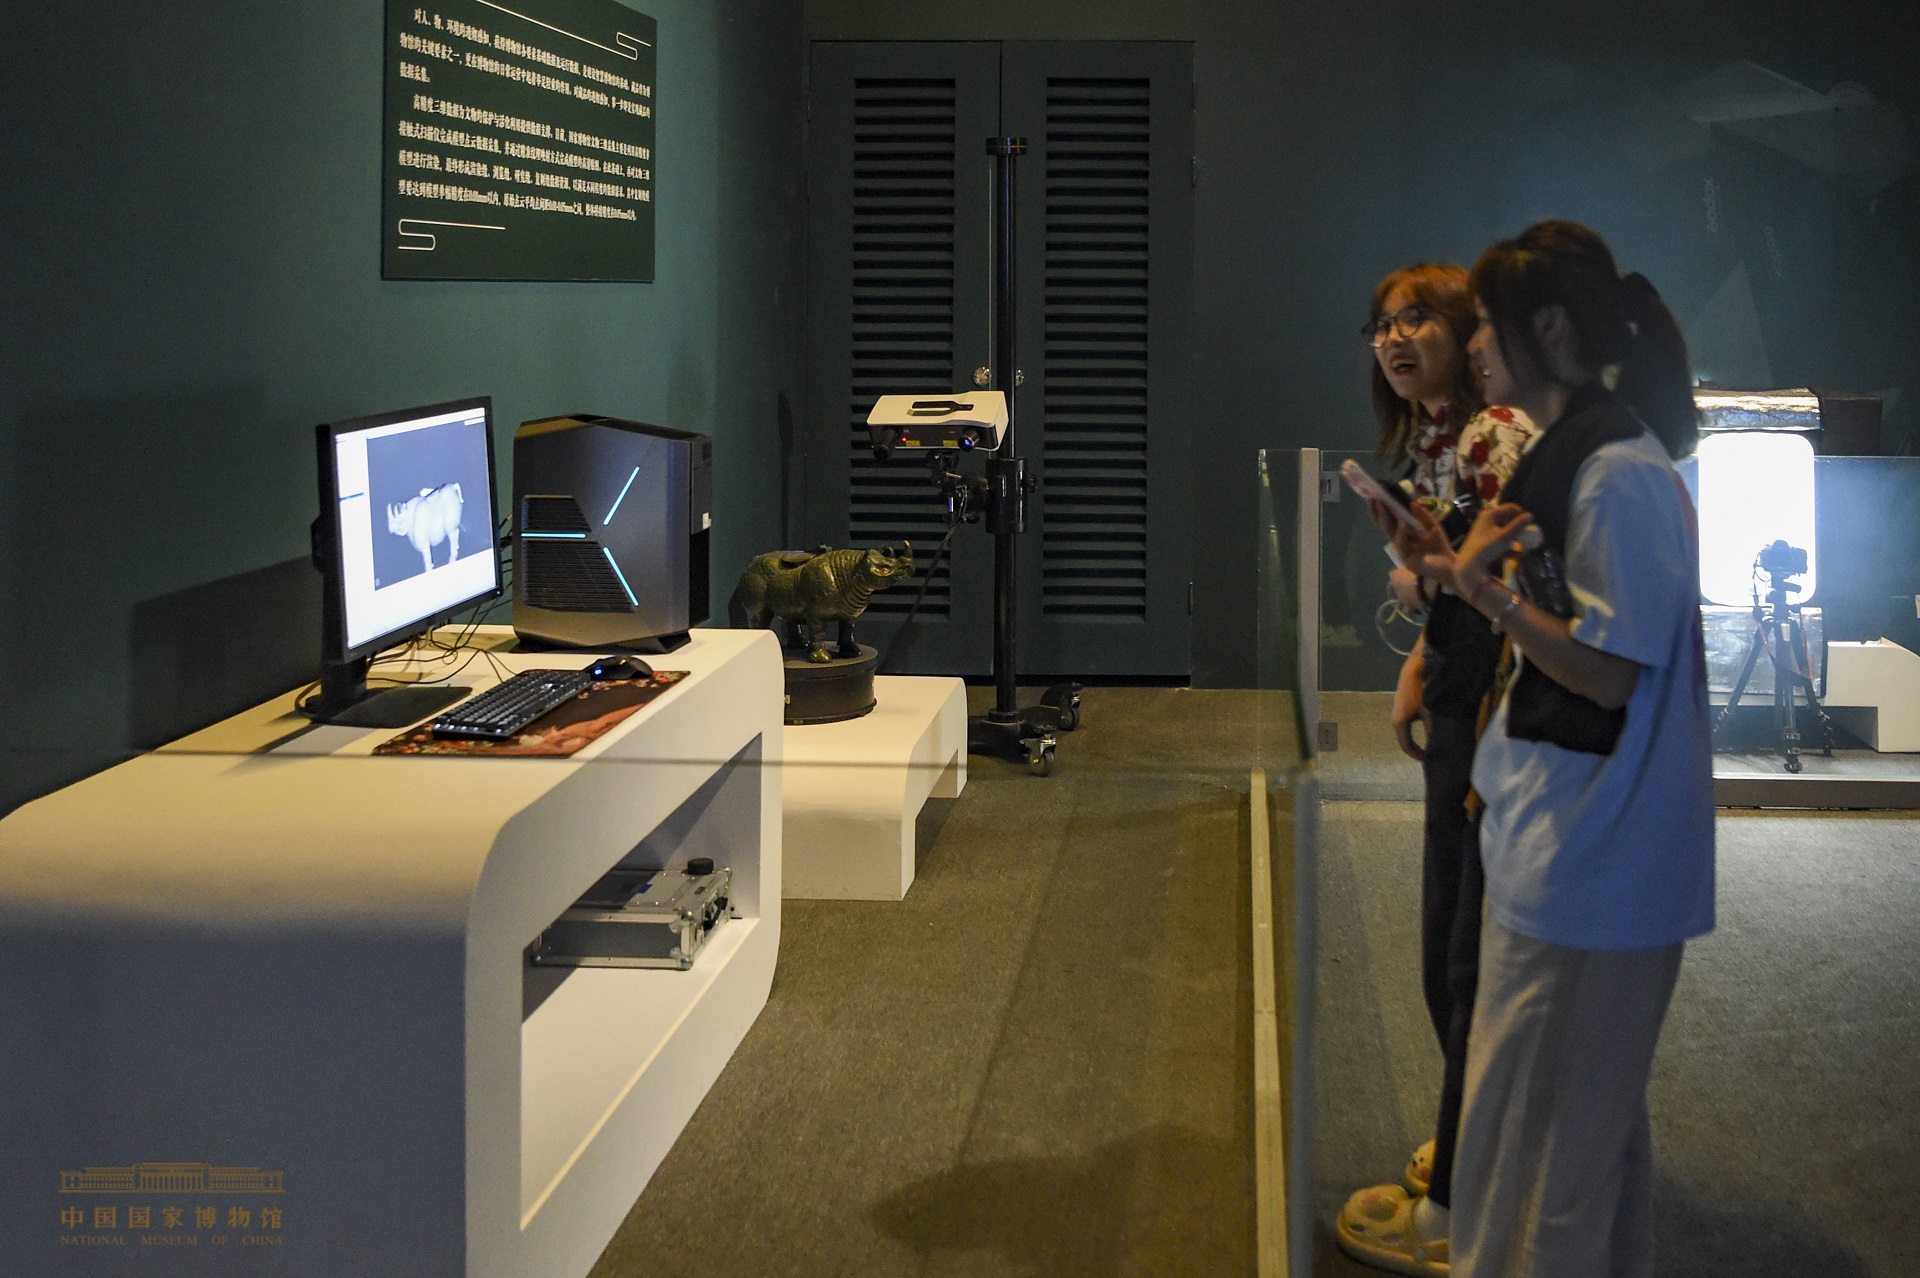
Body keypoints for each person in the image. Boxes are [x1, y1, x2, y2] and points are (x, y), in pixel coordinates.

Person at [1388, 221, 1714, 1278]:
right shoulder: (1583, 458)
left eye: (1485, 323)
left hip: (1593, 863)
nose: (1473, 344)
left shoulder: (1615, 474)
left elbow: (1612, 672)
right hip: (1568, 850)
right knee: (1573, 1143)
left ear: (1551, 329)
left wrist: (1479, 592)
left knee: (1539, 1164)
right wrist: (1454, 576)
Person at [1335, 265, 1536, 1277]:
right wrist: (1422, 646)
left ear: (1468, 331)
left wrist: (1434, 600)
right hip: (1464, 699)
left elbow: (1516, 589)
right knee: (1446, 954)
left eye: (1417, 318)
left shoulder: (1493, 436)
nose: (1394, 338)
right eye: (1381, 325)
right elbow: (1461, 587)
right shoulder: (1436, 440)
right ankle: (1474, 1145)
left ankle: (1463, 1202)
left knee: (1467, 964)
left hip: (1499, 722)